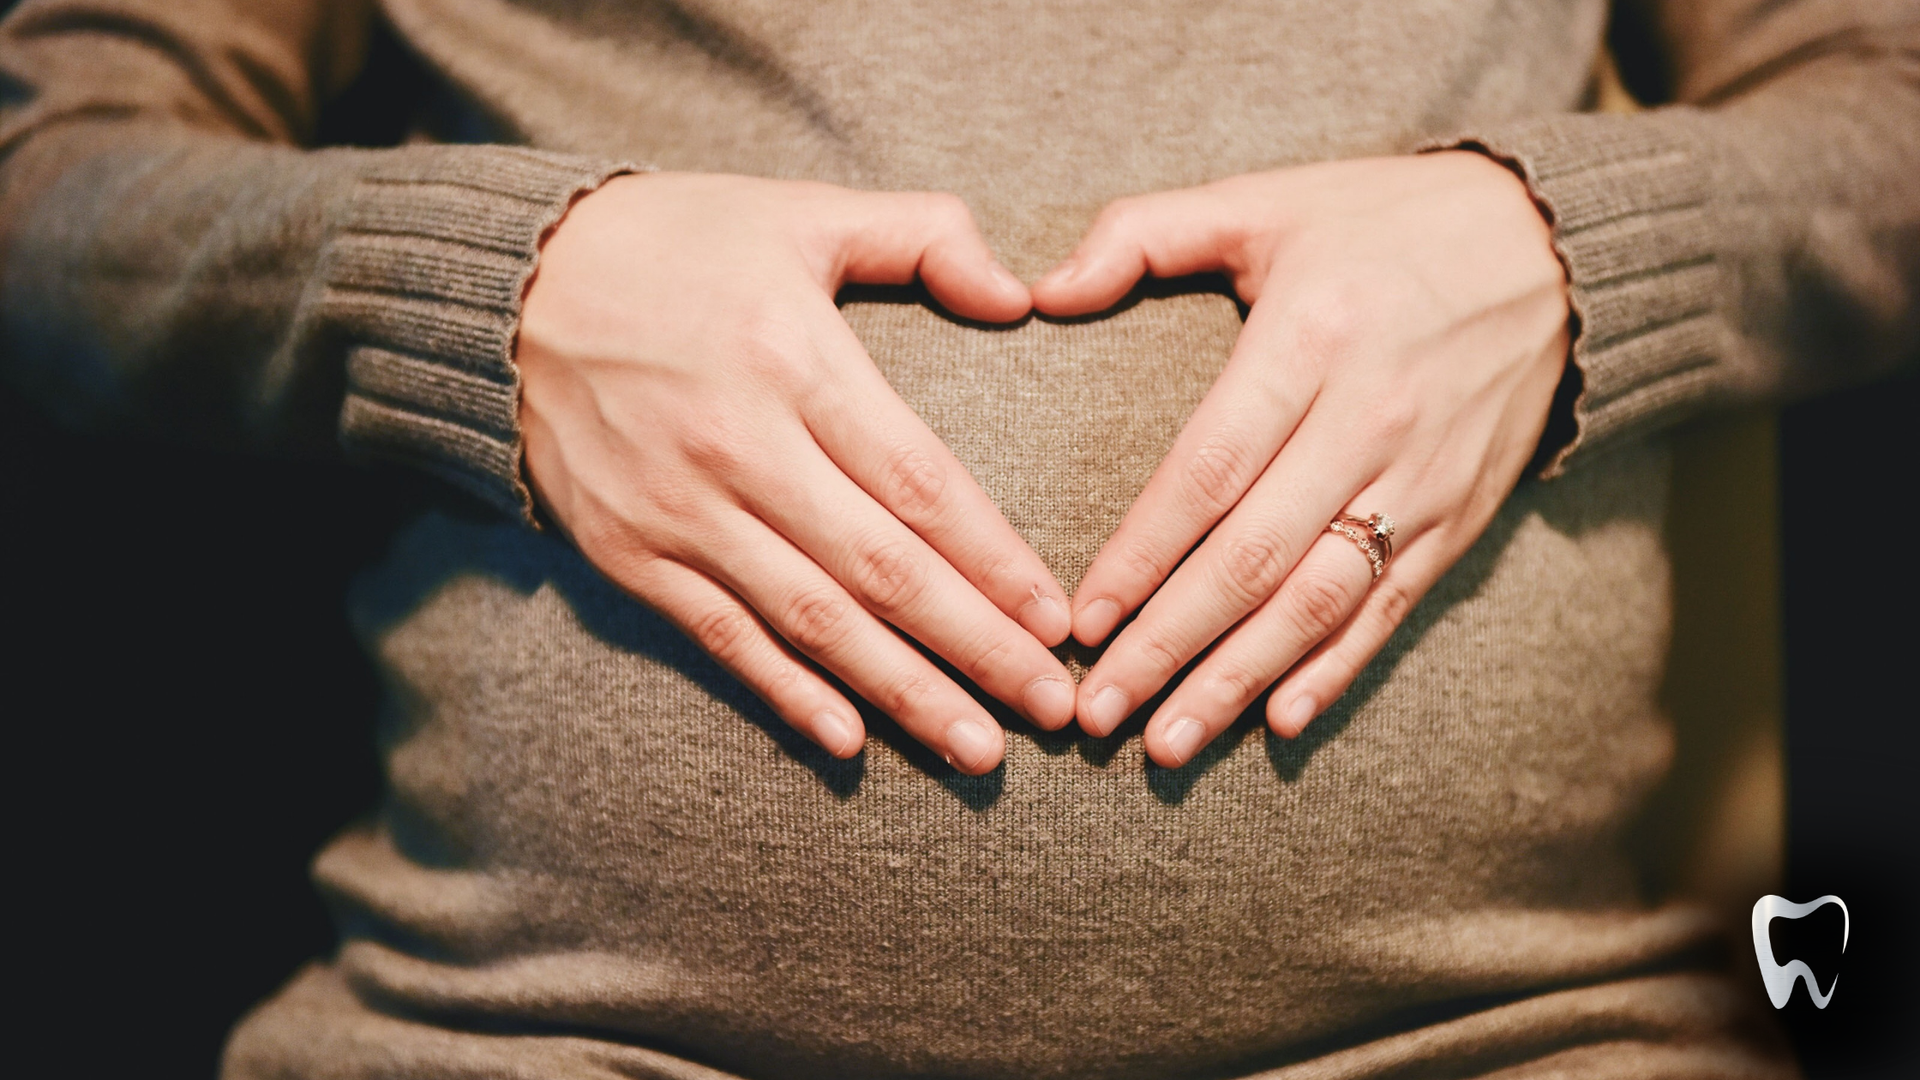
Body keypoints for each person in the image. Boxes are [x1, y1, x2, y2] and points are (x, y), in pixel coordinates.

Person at [1, 0, 1912, 1076]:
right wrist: (481, 289)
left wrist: (1574, 248)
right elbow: (51, 176)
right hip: (524, 1044)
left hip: (1512, 1041)